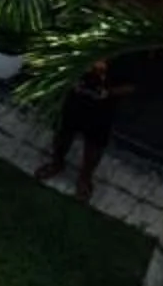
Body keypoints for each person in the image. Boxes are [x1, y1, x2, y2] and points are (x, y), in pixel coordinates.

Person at [36, 58, 128, 200]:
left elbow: (134, 85)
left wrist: (109, 92)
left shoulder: (127, 57)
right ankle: (56, 163)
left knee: (94, 144)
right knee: (63, 132)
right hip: (75, 98)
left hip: (103, 108)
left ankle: (85, 178)